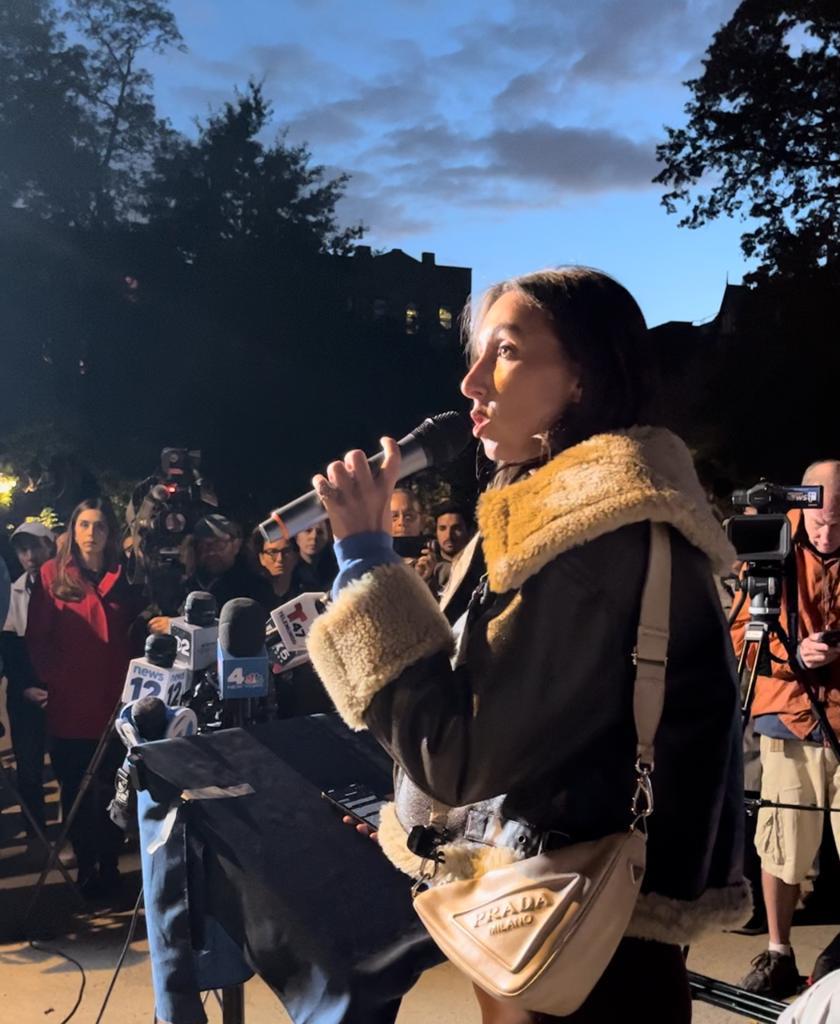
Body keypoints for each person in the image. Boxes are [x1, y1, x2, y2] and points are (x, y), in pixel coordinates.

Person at [306, 266, 748, 1023]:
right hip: (562, 910)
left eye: (505, 352)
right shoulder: (564, 513)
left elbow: (458, 755)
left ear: (583, 374)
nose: (471, 382)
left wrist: (367, 564)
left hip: (581, 933)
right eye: (474, 355)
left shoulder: (590, 533)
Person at [733, 460, 840, 999]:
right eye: (818, 521)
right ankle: (778, 952)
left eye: (838, 525)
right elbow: (739, 632)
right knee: (780, 841)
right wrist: (791, 650)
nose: (825, 533)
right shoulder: (772, 543)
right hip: (788, 712)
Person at [25, 498, 144, 897]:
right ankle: (87, 864)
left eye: (100, 527)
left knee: (113, 791)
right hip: (71, 704)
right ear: (73, 532)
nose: (92, 534)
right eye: (85, 525)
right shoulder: (50, 575)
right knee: (75, 789)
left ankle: (109, 863)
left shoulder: (124, 576)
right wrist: (51, 681)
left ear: (110, 534)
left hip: (115, 704)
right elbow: (38, 639)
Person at [1, 522, 56, 846]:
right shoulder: (13, 593)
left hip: (62, 692)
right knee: (28, 770)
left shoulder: (66, 589)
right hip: (25, 695)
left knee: (70, 766)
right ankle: (37, 835)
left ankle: (79, 833)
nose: (30, 556)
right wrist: (24, 687)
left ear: (50, 547)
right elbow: (10, 649)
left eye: (36, 547)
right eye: (22, 549)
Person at [149, 513, 275, 633]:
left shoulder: (256, 587)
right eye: (204, 545)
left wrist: (177, 629)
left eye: (218, 544)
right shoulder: (188, 583)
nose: (210, 551)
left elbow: (243, 632)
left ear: (236, 545)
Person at [294, 522, 337, 592]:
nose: (314, 537)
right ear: (296, 536)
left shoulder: (336, 564)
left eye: (320, 532)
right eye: (308, 530)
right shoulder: (290, 571)